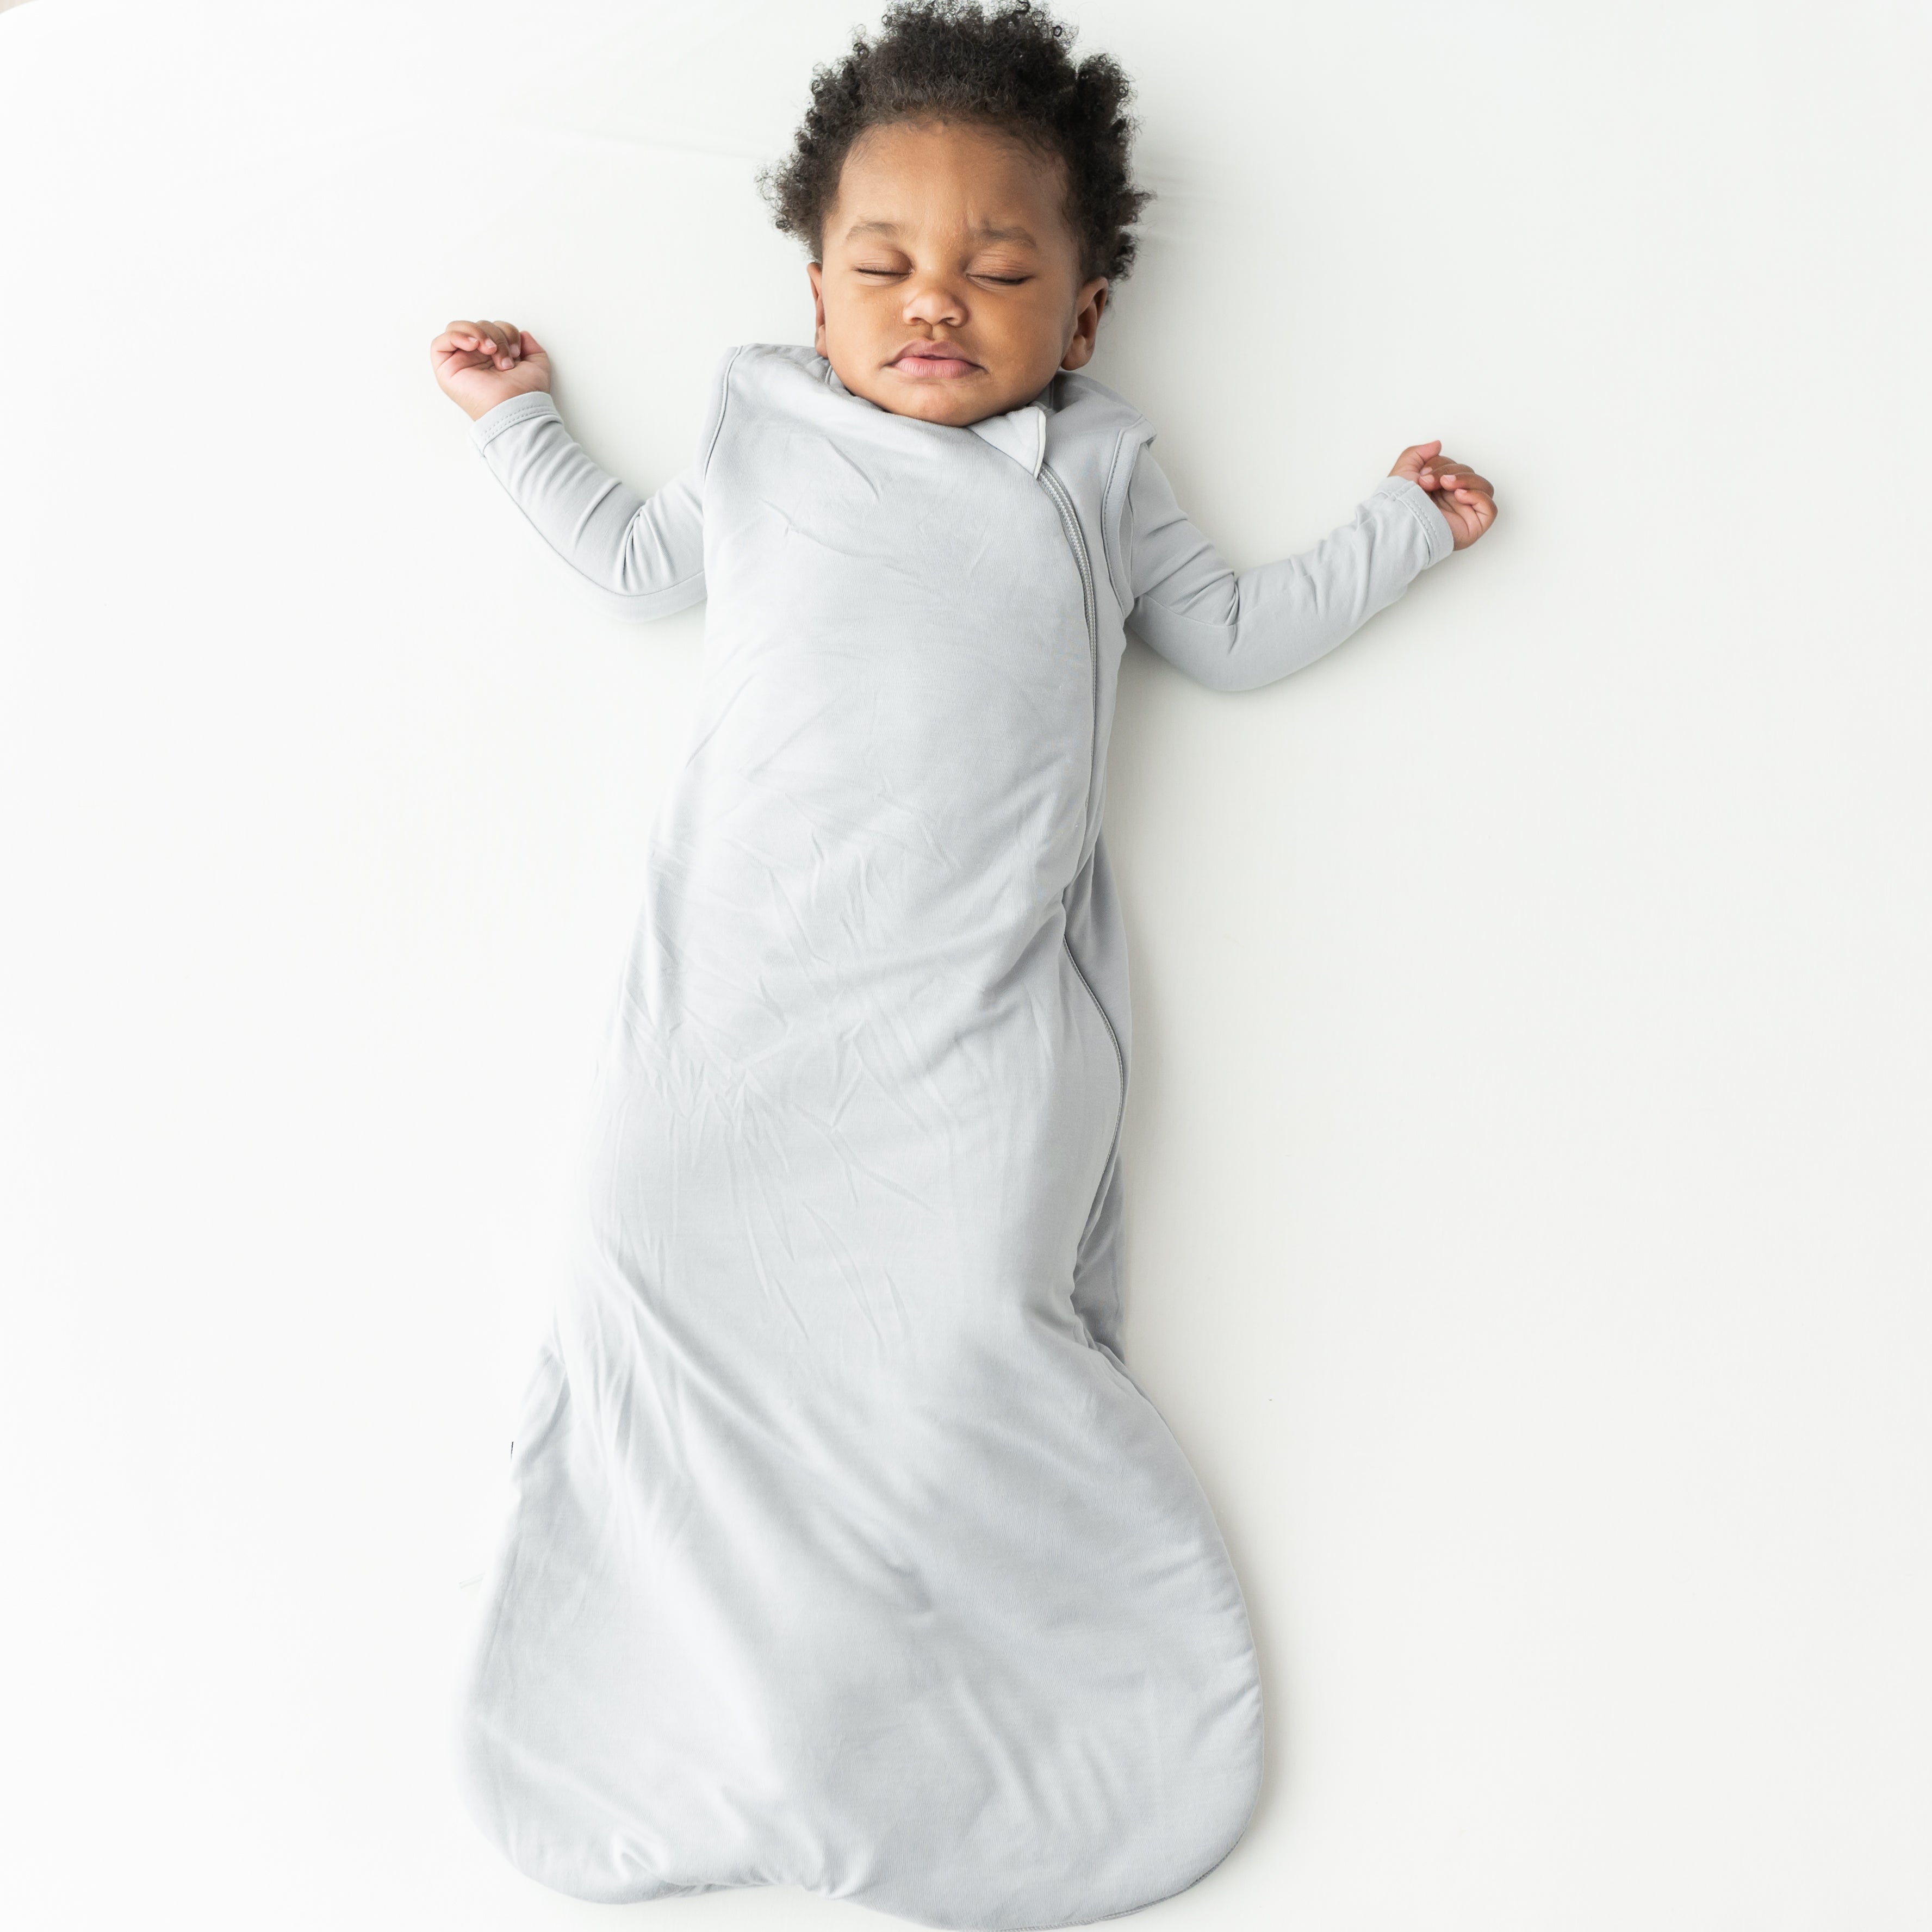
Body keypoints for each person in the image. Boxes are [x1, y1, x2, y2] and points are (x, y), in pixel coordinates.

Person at [428, 3, 1495, 1925]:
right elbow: (641, 567)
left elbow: (1232, 634)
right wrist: (520, 429)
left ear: (1080, 317)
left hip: (972, 1008)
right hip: (733, 1000)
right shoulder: (761, 433)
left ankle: (979, 1727)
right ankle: (684, 1700)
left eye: (999, 272)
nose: (937, 300)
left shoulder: (1094, 471)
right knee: (636, 1261)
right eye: (886, 265)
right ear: (814, 293)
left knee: (954, 1322)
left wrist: (1397, 530)